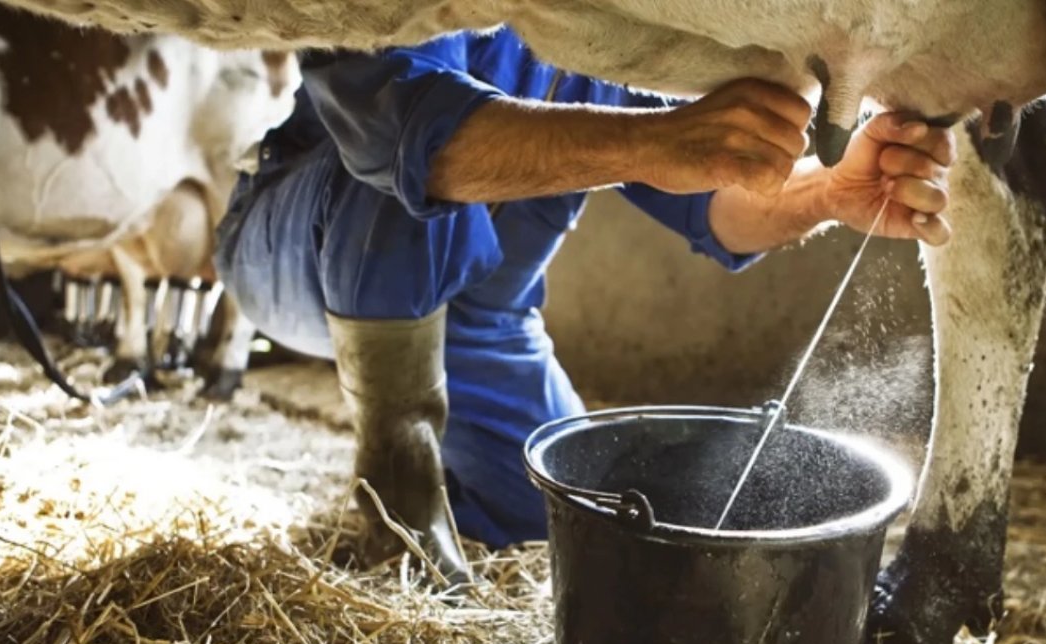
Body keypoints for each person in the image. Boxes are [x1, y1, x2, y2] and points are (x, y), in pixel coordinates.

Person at [215, 27, 955, 582]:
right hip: (297, 245)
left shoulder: (606, 31)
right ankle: (397, 498)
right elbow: (407, 137)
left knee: (566, 517)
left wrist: (828, 191)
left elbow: (719, 206)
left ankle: (460, 490)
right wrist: (656, 142)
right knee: (406, 172)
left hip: (481, 324)